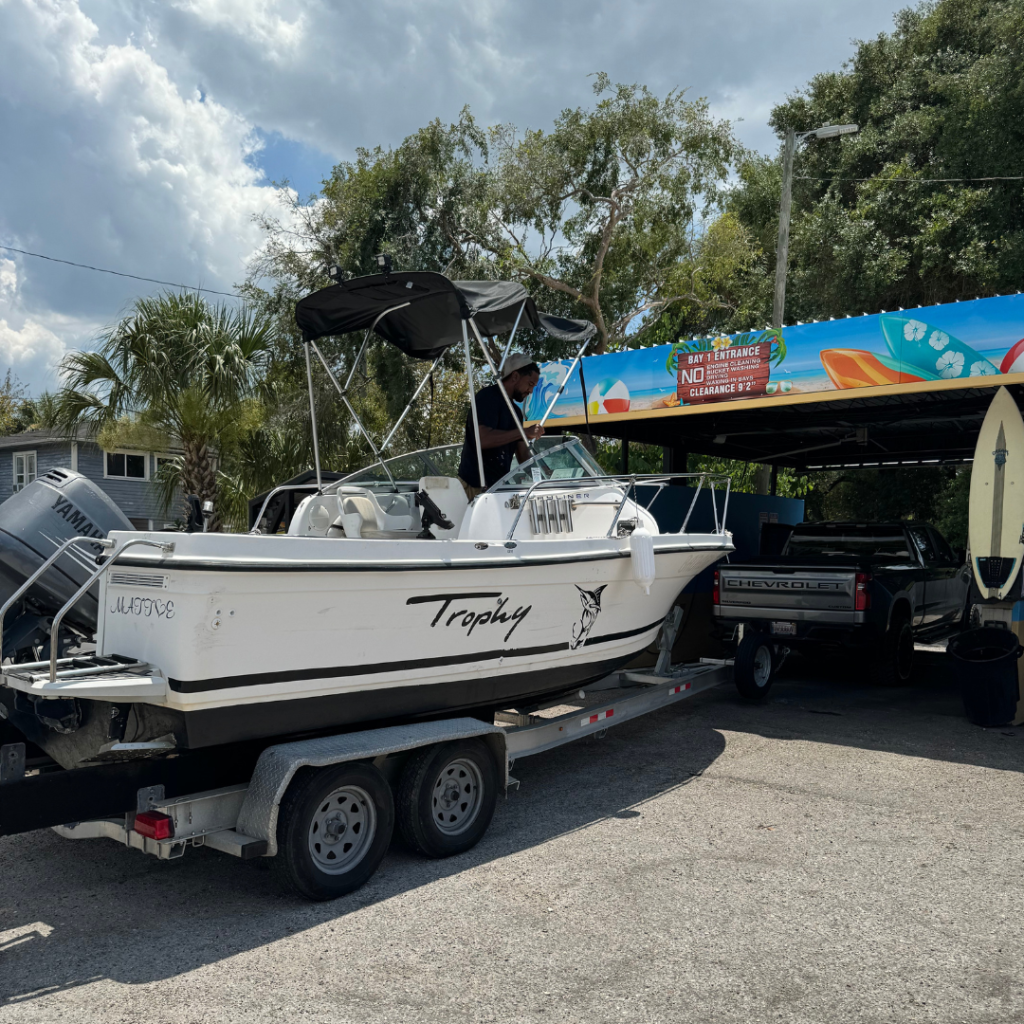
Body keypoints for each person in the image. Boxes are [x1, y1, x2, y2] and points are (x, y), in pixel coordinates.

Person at [457, 353, 543, 499]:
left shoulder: (516, 412)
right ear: (515, 376)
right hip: (473, 487)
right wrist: (523, 432)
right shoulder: (487, 397)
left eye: (534, 387)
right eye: (530, 384)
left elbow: (522, 454)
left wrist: (543, 474)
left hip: (497, 488)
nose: (530, 391)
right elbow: (483, 439)